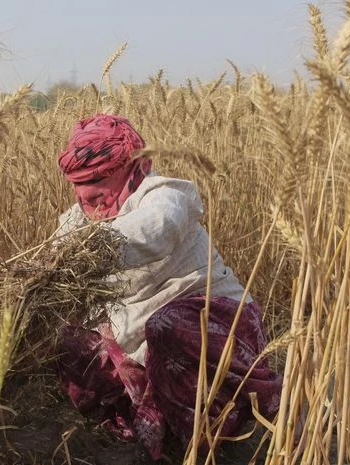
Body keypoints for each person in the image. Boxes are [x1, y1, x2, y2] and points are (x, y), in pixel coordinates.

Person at [54, 114, 282, 460]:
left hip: (212, 328)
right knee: (70, 343)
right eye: (79, 182)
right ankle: (140, 436)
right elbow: (50, 260)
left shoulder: (165, 195)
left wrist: (93, 249)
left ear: (130, 167)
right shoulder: (77, 219)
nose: (89, 192)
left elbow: (155, 230)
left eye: (99, 177)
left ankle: (221, 435)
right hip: (143, 341)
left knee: (167, 325)